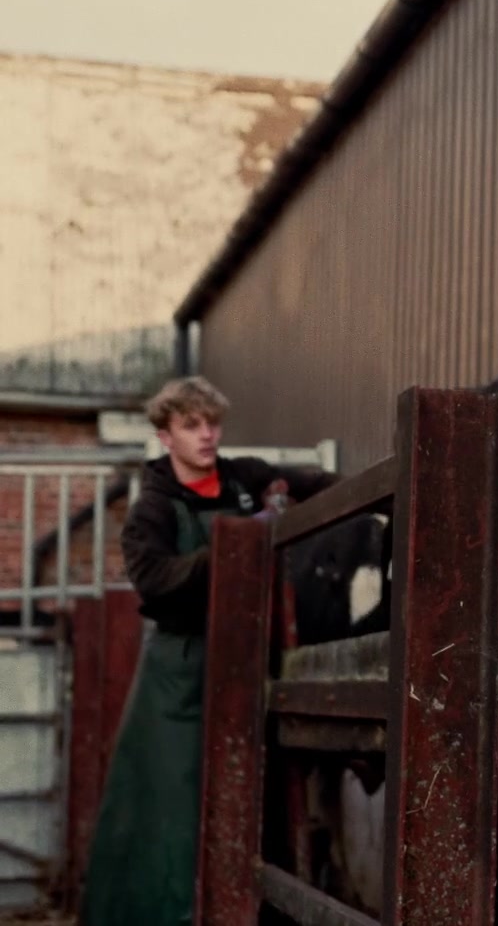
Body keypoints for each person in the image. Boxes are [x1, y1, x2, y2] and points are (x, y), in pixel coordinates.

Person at [79, 375, 340, 926]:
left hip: (249, 662)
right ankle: (165, 914)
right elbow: (154, 577)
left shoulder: (243, 478)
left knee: (258, 788)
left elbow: (312, 482)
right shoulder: (151, 508)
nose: (206, 435)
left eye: (212, 423)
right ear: (166, 436)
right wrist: (234, 543)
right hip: (179, 672)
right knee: (172, 801)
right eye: (191, 425)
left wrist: (369, 488)